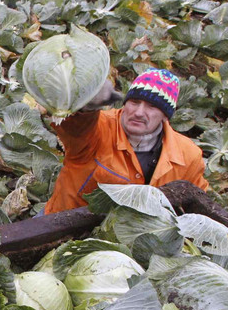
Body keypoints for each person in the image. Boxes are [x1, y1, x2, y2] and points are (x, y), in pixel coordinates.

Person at [43, 68, 209, 214]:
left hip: (133, 241)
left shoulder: (188, 156)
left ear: (165, 116)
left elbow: (195, 204)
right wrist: (84, 107)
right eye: (135, 102)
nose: (138, 112)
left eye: (151, 107)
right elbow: (74, 128)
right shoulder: (98, 128)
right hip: (62, 225)